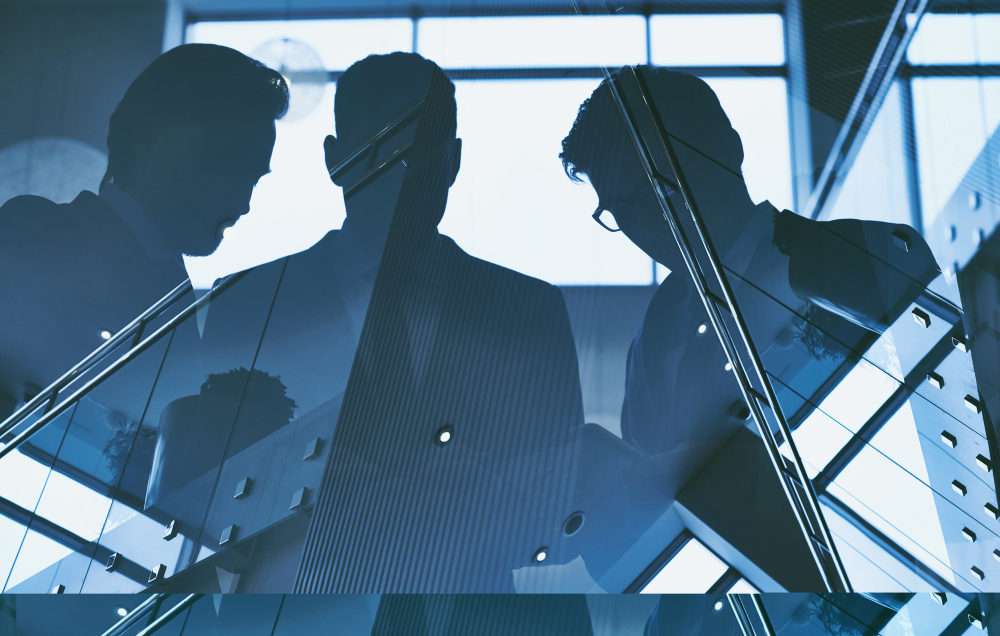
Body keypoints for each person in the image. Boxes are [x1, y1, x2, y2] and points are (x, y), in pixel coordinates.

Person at [192, 52, 586, 592]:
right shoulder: (246, 304)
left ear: (454, 160)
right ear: (335, 161)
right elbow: (204, 503)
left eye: (419, 152)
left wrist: (492, 500)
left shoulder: (530, 312)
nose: (403, 175)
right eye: (382, 151)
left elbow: (563, 511)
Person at [559, 65, 940, 471]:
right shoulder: (651, 338)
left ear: (726, 148)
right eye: (620, 211)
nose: (648, 224)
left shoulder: (852, 258)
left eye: (655, 188)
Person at [0, 44, 288, 416]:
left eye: (253, 178)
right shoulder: (37, 234)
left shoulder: (177, 294)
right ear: (146, 140)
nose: (243, 202)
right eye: (227, 166)